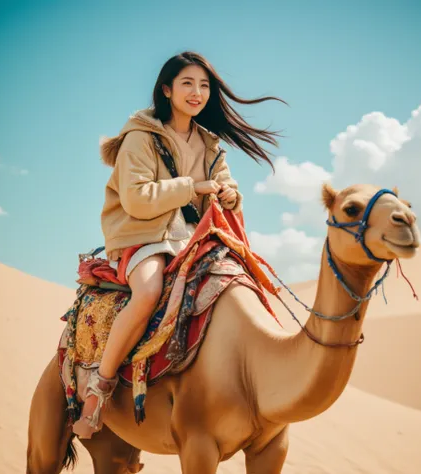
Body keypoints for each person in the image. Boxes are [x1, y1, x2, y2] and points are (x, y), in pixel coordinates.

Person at [73, 51, 285, 438]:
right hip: (141, 237)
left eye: (204, 86)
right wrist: (193, 187)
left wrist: (230, 195)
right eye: (187, 83)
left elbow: (224, 184)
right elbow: (136, 198)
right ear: (167, 90)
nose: (197, 92)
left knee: (241, 282)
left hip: (192, 239)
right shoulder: (140, 137)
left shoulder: (209, 143)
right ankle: (98, 390)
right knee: (149, 290)